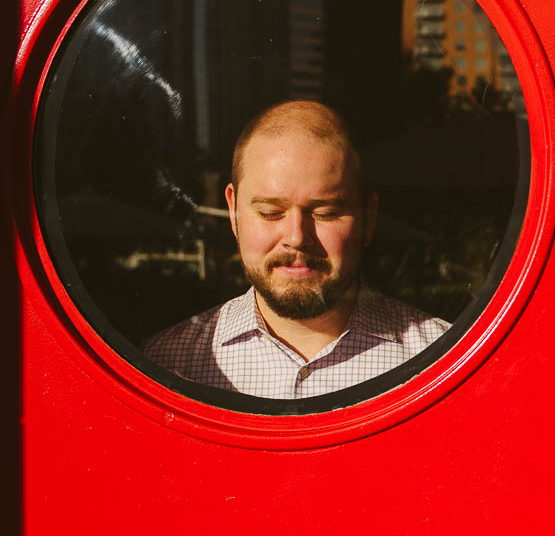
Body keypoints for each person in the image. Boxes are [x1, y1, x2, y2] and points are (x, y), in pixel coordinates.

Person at [144, 100, 449, 399]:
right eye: (270, 212)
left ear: (368, 218)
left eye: (325, 213)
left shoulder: (443, 362)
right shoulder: (165, 367)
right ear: (233, 211)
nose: (297, 237)